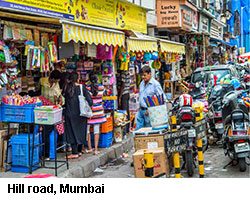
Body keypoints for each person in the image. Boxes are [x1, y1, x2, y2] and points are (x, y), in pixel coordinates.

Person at [63, 72, 93, 159]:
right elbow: (90, 101)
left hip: (70, 113)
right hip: (81, 113)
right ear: (78, 79)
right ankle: (79, 151)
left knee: (72, 132)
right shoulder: (81, 87)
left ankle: (75, 152)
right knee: (80, 131)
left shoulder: (66, 87)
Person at [38, 70, 62, 160]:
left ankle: (48, 154)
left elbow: (59, 95)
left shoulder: (56, 85)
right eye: (55, 81)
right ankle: (46, 154)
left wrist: (59, 100)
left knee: (48, 131)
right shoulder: (42, 81)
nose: (55, 83)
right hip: (43, 110)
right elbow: (38, 92)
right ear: (51, 78)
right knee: (45, 132)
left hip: (53, 111)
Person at [136, 65, 165, 130]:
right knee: (138, 130)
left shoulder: (155, 84)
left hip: (150, 112)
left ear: (150, 74)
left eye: (145, 75)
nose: (143, 77)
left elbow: (161, 98)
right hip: (141, 111)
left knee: (149, 131)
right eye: (142, 75)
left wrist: (150, 109)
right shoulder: (142, 83)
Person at [86, 72, 107, 155]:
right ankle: (96, 149)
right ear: (97, 79)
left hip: (90, 110)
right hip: (99, 110)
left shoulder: (87, 88)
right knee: (96, 130)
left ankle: (89, 148)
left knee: (87, 130)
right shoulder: (102, 87)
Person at [117, 69, 131, 134]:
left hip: (124, 94)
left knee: (124, 112)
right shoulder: (127, 72)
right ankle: (127, 129)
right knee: (126, 111)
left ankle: (125, 130)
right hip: (127, 93)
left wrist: (119, 97)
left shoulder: (124, 72)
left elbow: (122, 85)